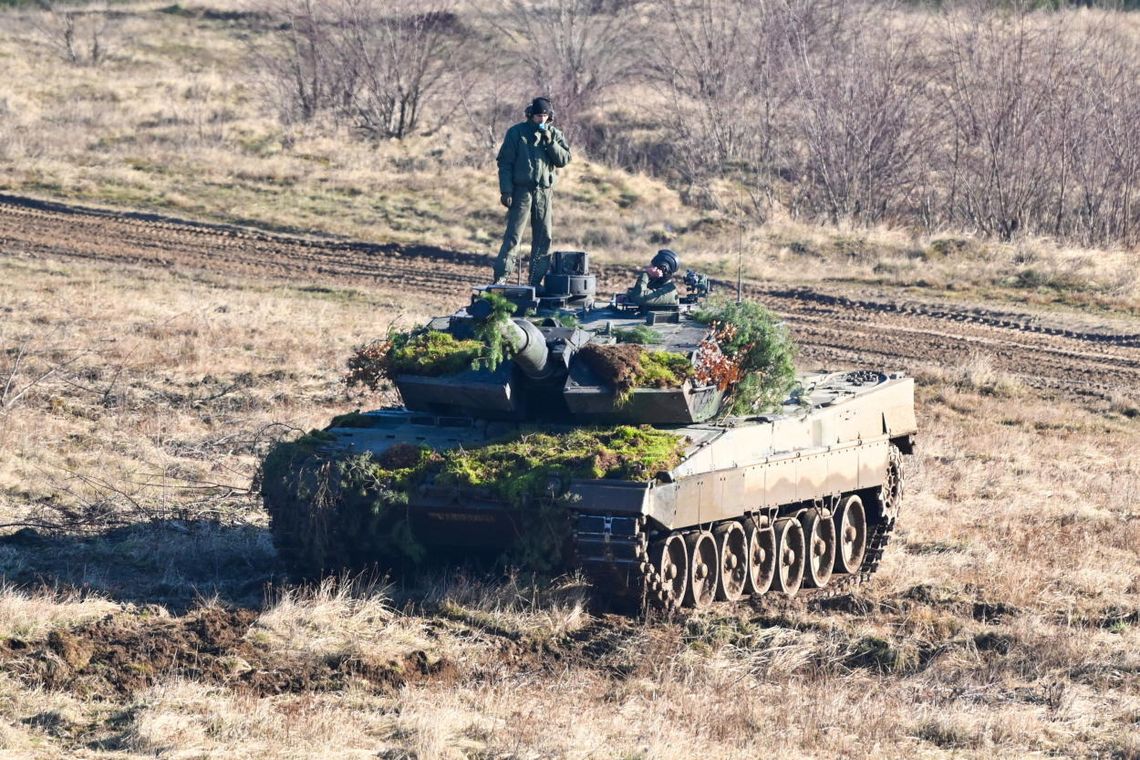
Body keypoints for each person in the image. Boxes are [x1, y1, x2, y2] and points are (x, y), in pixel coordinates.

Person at [493, 97, 572, 287]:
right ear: (531, 115)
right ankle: (502, 277)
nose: (541, 119)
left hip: (544, 192)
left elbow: (564, 159)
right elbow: (505, 163)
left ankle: (535, 279)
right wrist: (506, 191)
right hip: (522, 190)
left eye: (545, 116)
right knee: (514, 235)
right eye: (538, 116)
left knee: (544, 237)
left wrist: (550, 142)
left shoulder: (554, 134)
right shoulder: (517, 133)